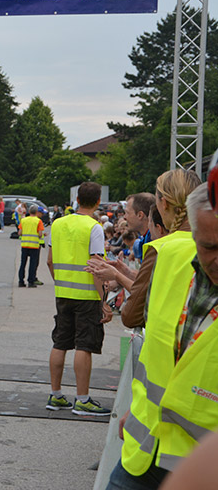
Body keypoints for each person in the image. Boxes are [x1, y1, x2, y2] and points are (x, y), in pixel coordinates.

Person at [106, 182, 218, 489]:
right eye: (208, 247)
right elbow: (158, 348)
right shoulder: (167, 255)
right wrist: (139, 408)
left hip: (202, 466)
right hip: (146, 449)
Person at [88, 171, 199, 329]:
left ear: (164, 203)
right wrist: (125, 272)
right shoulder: (208, 243)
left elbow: (131, 315)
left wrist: (117, 276)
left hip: (166, 341)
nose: (124, 217)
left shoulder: (161, 249)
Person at [45, 181, 112, 416]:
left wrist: (61, 282)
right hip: (87, 296)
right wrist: (103, 300)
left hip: (63, 293)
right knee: (84, 345)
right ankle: (82, 400)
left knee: (60, 342)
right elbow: (96, 266)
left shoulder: (58, 224)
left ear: (77, 199)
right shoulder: (94, 227)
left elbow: (50, 261)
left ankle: (55, 395)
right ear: (98, 201)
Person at [18, 204, 45, 287]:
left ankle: (21, 281)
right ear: (36, 212)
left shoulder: (23, 220)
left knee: (23, 263)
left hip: (24, 245)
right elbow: (40, 234)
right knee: (32, 264)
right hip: (34, 245)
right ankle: (31, 281)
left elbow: (20, 233)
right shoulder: (38, 221)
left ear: (29, 211)